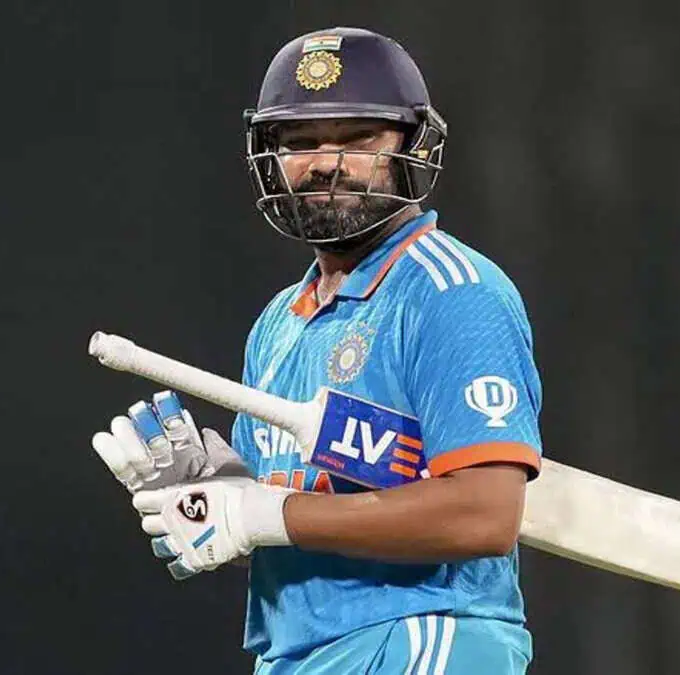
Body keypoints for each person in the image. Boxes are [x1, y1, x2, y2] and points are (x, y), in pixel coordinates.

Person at [91, 27, 544, 674]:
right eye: (300, 143)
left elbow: (484, 514)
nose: (326, 163)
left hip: (419, 638)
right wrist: (221, 499)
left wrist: (270, 513)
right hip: (296, 654)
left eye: (358, 139)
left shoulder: (450, 291)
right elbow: (298, 518)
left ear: (411, 145)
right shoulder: (278, 322)